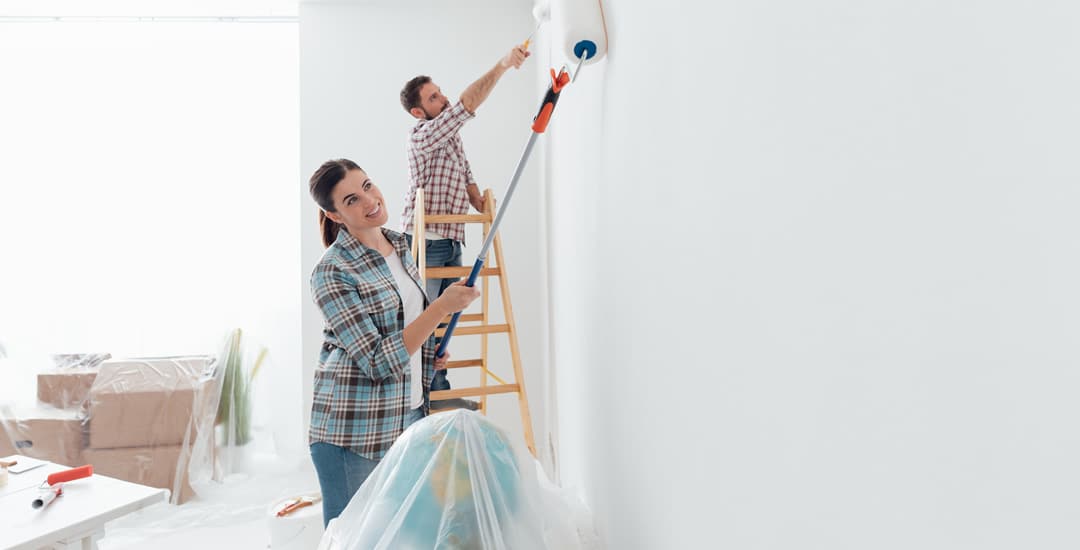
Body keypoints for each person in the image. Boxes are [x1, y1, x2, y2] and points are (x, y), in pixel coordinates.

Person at [307, 158, 481, 526]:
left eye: (367, 186)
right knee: (353, 537)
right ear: (335, 215)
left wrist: (428, 352)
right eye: (352, 200)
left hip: (410, 414)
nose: (370, 201)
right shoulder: (331, 272)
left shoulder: (401, 245)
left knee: (406, 532)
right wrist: (440, 309)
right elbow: (375, 359)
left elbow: (404, 324)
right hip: (354, 431)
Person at [398, 44, 530, 408]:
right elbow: (466, 104)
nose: (442, 99)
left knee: (442, 322)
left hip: (452, 238)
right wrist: (503, 64)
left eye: (440, 93)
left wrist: (479, 200)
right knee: (426, 319)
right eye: (434, 97)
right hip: (426, 239)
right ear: (418, 110)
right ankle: (424, 396)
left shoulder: (450, 137)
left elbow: (467, 176)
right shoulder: (422, 135)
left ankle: (438, 389)